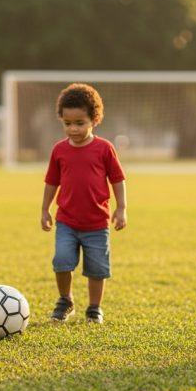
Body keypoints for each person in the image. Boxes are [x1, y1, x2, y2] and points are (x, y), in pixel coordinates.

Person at [41, 83, 127, 324]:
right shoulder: (59, 151)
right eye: (68, 123)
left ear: (94, 119)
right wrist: (45, 210)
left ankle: (94, 308)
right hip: (67, 222)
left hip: (97, 224)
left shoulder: (104, 149)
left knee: (97, 269)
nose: (73, 129)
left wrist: (121, 208)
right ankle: (65, 300)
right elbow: (51, 183)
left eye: (79, 123)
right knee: (61, 261)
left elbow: (118, 180)